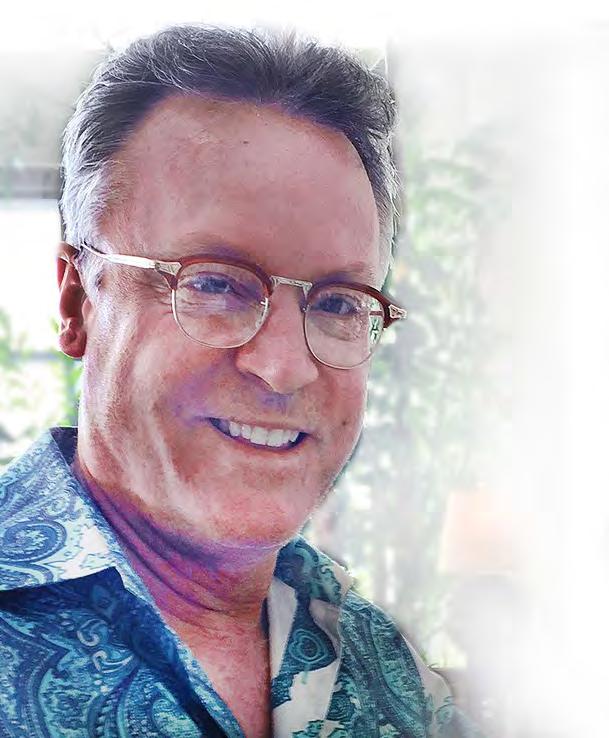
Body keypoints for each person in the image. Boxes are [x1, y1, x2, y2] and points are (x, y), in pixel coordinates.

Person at [0, 24, 479, 738]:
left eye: (339, 303)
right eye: (216, 283)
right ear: (78, 303)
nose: (284, 367)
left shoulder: (388, 667)